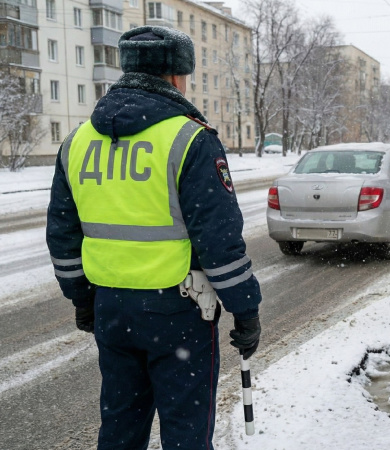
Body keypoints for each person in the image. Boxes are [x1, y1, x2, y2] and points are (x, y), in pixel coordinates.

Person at [46, 25, 261, 449]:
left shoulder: (77, 141)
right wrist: (245, 308)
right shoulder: (190, 139)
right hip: (175, 311)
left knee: (121, 424)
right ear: (176, 77)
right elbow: (219, 242)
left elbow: (62, 235)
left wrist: (81, 298)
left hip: (111, 306)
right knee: (186, 429)